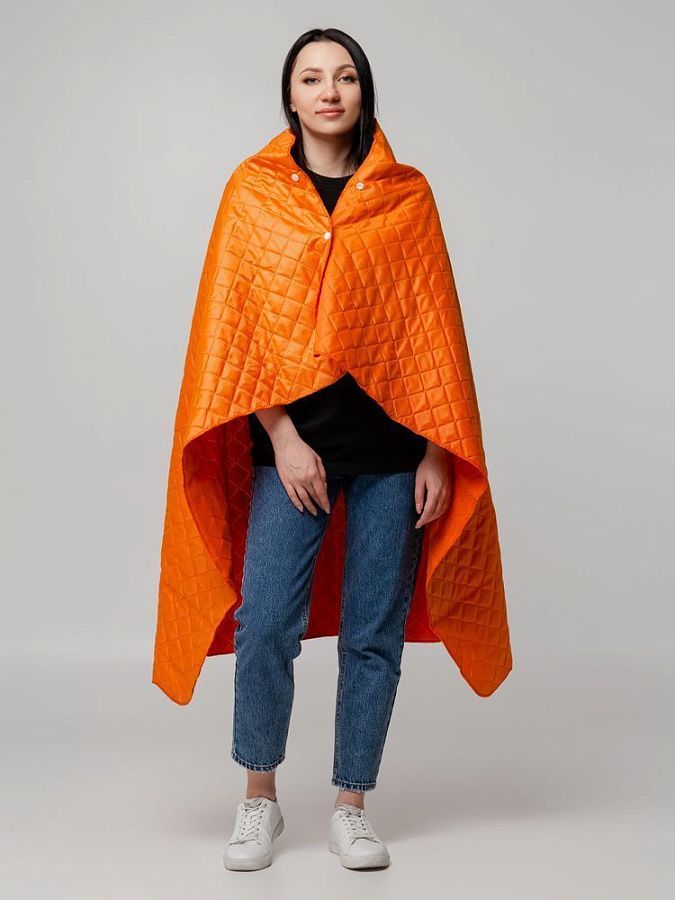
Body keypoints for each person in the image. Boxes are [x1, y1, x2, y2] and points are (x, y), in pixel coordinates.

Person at [223, 29, 454, 872]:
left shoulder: (405, 195)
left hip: (393, 451)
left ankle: (350, 807)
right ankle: (259, 799)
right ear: (290, 96)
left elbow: (432, 329)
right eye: (312, 78)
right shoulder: (253, 193)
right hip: (293, 449)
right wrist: (282, 437)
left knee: (372, 633)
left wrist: (436, 451)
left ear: (363, 91)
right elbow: (238, 328)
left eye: (345, 76)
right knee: (264, 624)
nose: (329, 91)